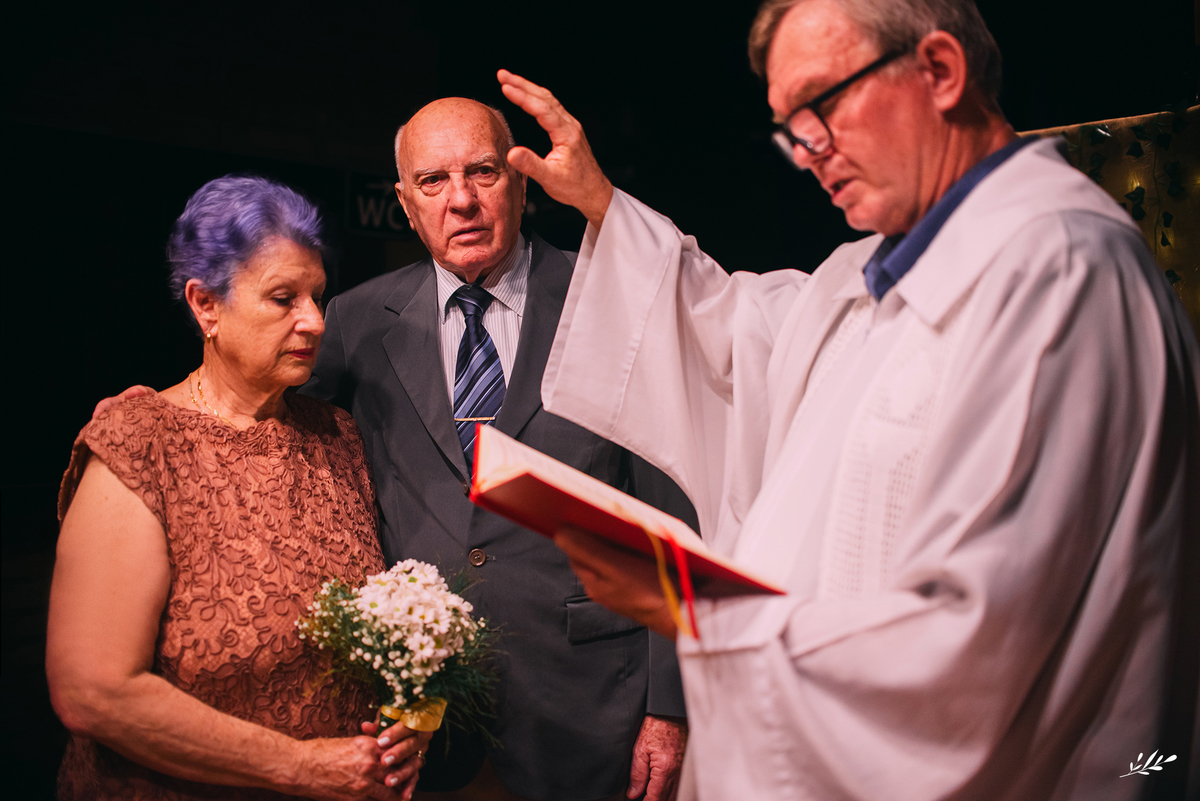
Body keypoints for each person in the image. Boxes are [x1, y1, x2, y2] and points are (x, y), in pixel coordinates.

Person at [495, 0, 1200, 798]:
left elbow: (984, 640)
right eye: (789, 124)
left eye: (822, 104)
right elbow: (734, 330)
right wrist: (601, 206)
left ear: (940, 71)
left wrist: (696, 605)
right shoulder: (869, 271)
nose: (806, 151)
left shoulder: (1056, 270)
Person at [300, 98, 693, 801]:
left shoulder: (608, 299)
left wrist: (671, 705)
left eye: (482, 172)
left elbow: (674, 508)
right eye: (433, 182)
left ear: (520, 181)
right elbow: (269, 424)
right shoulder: (355, 322)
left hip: (590, 704)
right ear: (404, 202)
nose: (461, 201)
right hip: (420, 721)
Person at [49, 175, 432, 801]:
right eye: (283, 298)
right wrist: (302, 768)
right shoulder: (143, 440)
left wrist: (404, 727)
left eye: (317, 296)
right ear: (206, 305)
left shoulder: (335, 435)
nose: (313, 320)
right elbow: (94, 691)